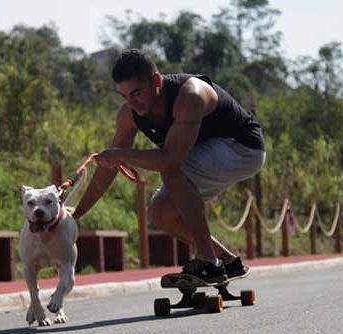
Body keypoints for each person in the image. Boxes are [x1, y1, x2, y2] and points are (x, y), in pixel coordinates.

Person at [72, 49, 265, 283]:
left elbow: (171, 160)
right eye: (124, 96)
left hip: (242, 148)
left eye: (136, 93)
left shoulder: (191, 95)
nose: (132, 103)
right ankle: (226, 261)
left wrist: (122, 154)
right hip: (203, 153)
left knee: (172, 170)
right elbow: (108, 167)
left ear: (156, 80)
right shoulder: (129, 114)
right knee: (161, 212)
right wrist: (77, 214)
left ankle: (208, 261)